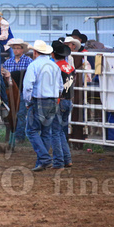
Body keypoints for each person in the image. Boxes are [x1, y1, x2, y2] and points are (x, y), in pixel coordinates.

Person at [23, 40, 63, 172]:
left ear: (35, 52)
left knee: (31, 130)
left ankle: (45, 159)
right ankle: (42, 162)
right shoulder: (54, 66)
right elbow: (61, 86)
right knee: (46, 132)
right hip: (52, 100)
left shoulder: (34, 65)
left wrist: (27, 102)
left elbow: (28, 86)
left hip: (39, 100)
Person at [51, 40, 75, 169]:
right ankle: (67, 159)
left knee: (55, 132)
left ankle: (59, 161)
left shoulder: (55, 67)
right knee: (61, 132)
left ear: (53, 54)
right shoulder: (70, 67)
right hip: (68, 100)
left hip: (59, 101)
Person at [4, 38, 33, 143]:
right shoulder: (8, 62)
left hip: (22, 90)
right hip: (11, 91)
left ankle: (19, 137)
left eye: (18, 48)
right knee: (11, 113)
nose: (15, 50)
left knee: (20, 113)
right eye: (14, 48)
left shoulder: (28, 61)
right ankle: (13, 135)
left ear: (22, 50)